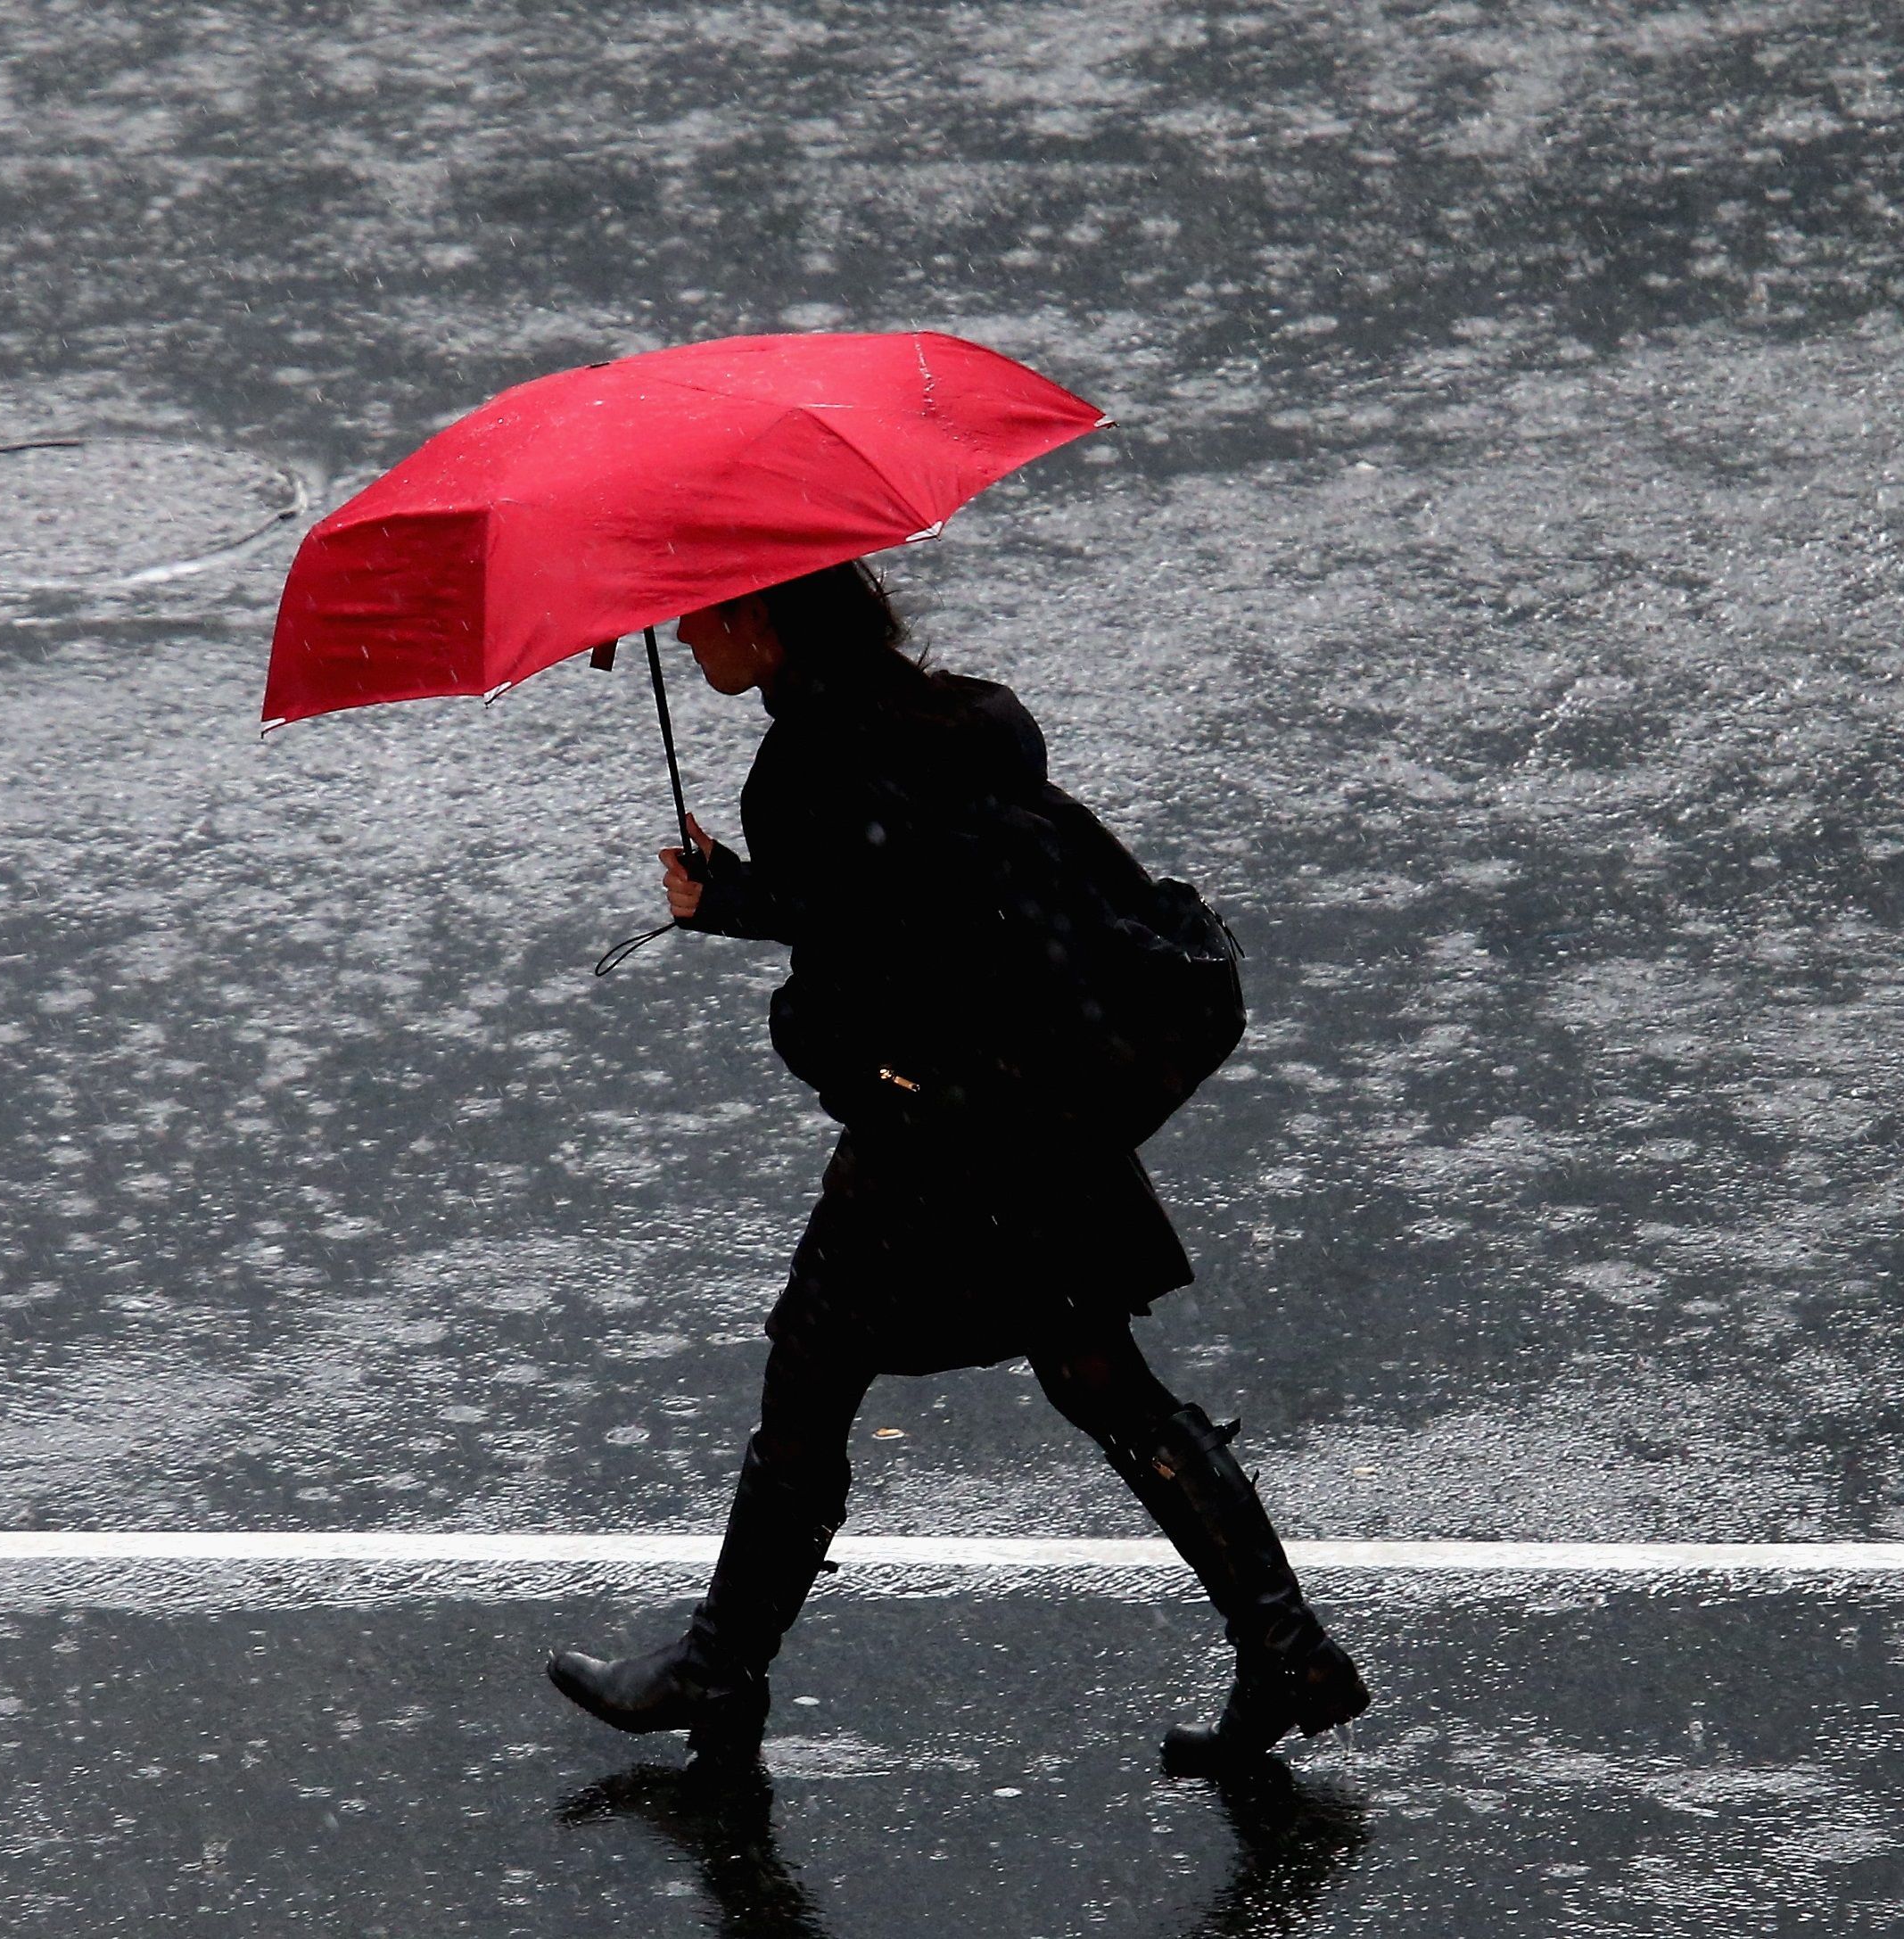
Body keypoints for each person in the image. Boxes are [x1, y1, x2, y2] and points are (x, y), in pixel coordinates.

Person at [545, 560, 1370, 1774]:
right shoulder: (956, 717)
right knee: (1101, 1376)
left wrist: (794, 1006)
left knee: (812, 1374)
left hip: (940, 1136)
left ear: (757, 613)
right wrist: (750, 900)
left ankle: (721, 1660)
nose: (682, 627)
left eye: (699, 605)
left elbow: (869, 969)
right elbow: (919, 896)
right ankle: (1287, 1646)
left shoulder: (806, 769)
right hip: (1045, 1100)